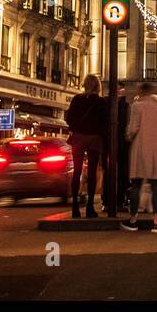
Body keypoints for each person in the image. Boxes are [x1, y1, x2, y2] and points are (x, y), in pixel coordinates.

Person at [120, 83, 157, 233]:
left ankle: (133, 220)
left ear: (142, 92)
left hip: (141, 148)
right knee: (156, 186)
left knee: (136, 185)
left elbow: (133, 129)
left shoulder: (137, 106)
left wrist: (127, 135)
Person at [64, 75, 107, 218]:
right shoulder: (101, 102)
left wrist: (77, 128)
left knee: (77, 172)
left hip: (79, 137)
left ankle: (75, 207)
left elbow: (69, 119)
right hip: (94, 138)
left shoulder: (77, 99)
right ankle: (89, 207)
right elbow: (104, 122)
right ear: (97, 86)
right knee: (92, 172)